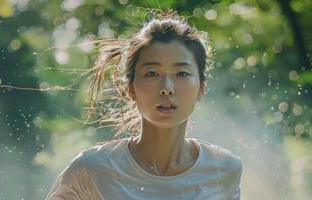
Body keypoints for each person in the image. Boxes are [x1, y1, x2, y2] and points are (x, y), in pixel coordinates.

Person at [45, 10, 242, 200]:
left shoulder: (223, 170)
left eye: (182, 73)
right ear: (131, 88)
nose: (167, 88)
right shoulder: (91, 169)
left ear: (201, 88)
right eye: (151, 74)